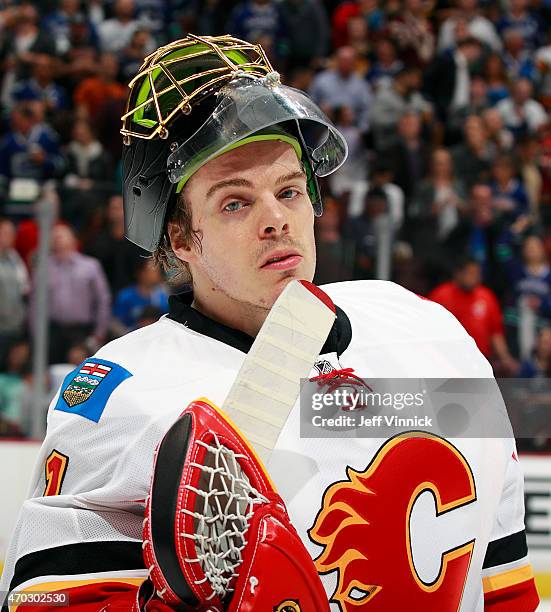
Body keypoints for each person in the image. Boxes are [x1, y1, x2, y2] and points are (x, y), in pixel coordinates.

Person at [0, 35, 539, 612]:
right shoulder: (121, 399)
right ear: (179, 238)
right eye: (236, 202)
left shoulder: (428, 329)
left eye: (289, 191)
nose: (276, 220)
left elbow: (504, 580)